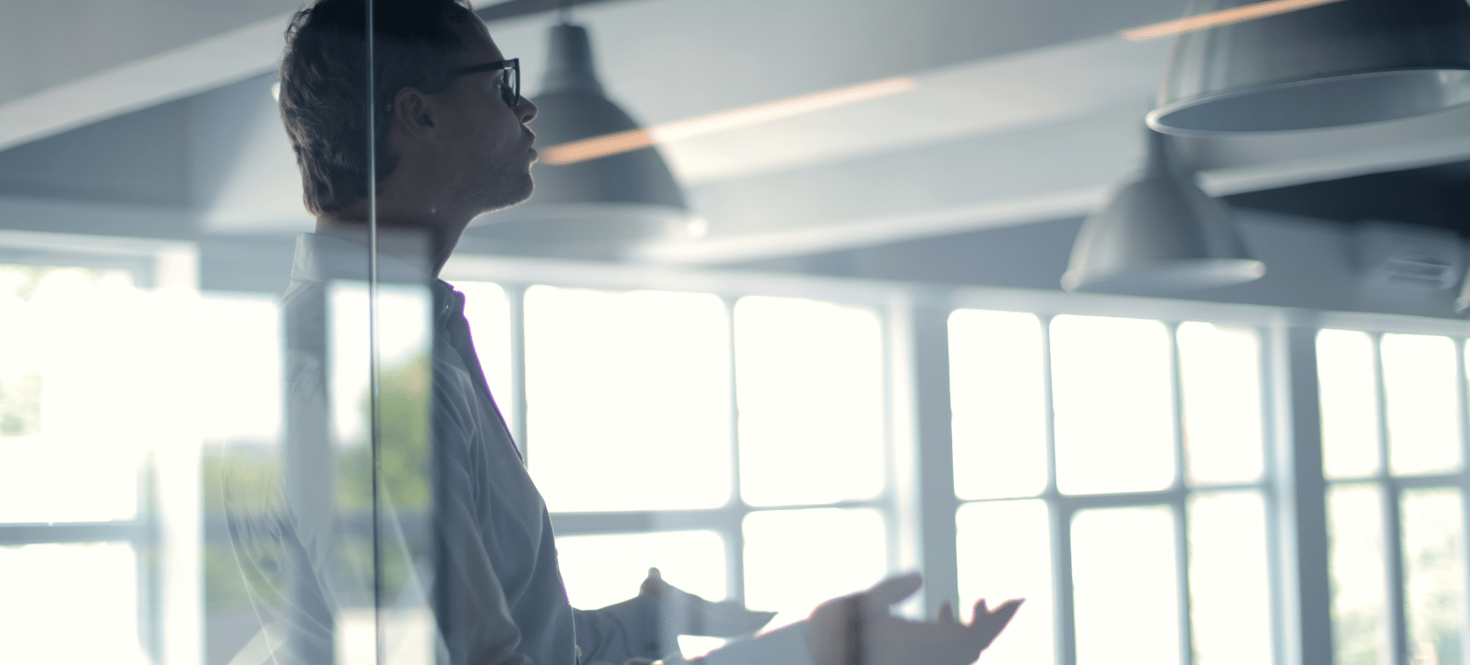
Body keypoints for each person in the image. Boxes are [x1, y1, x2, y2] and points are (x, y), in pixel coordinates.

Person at [268, 1, 1021, 664]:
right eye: (502, 84)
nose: (526, 109)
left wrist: (664, 622)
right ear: (420, 114)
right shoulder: (361, 370)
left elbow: (528, 643)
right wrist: (819, 654)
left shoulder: (395, 342)